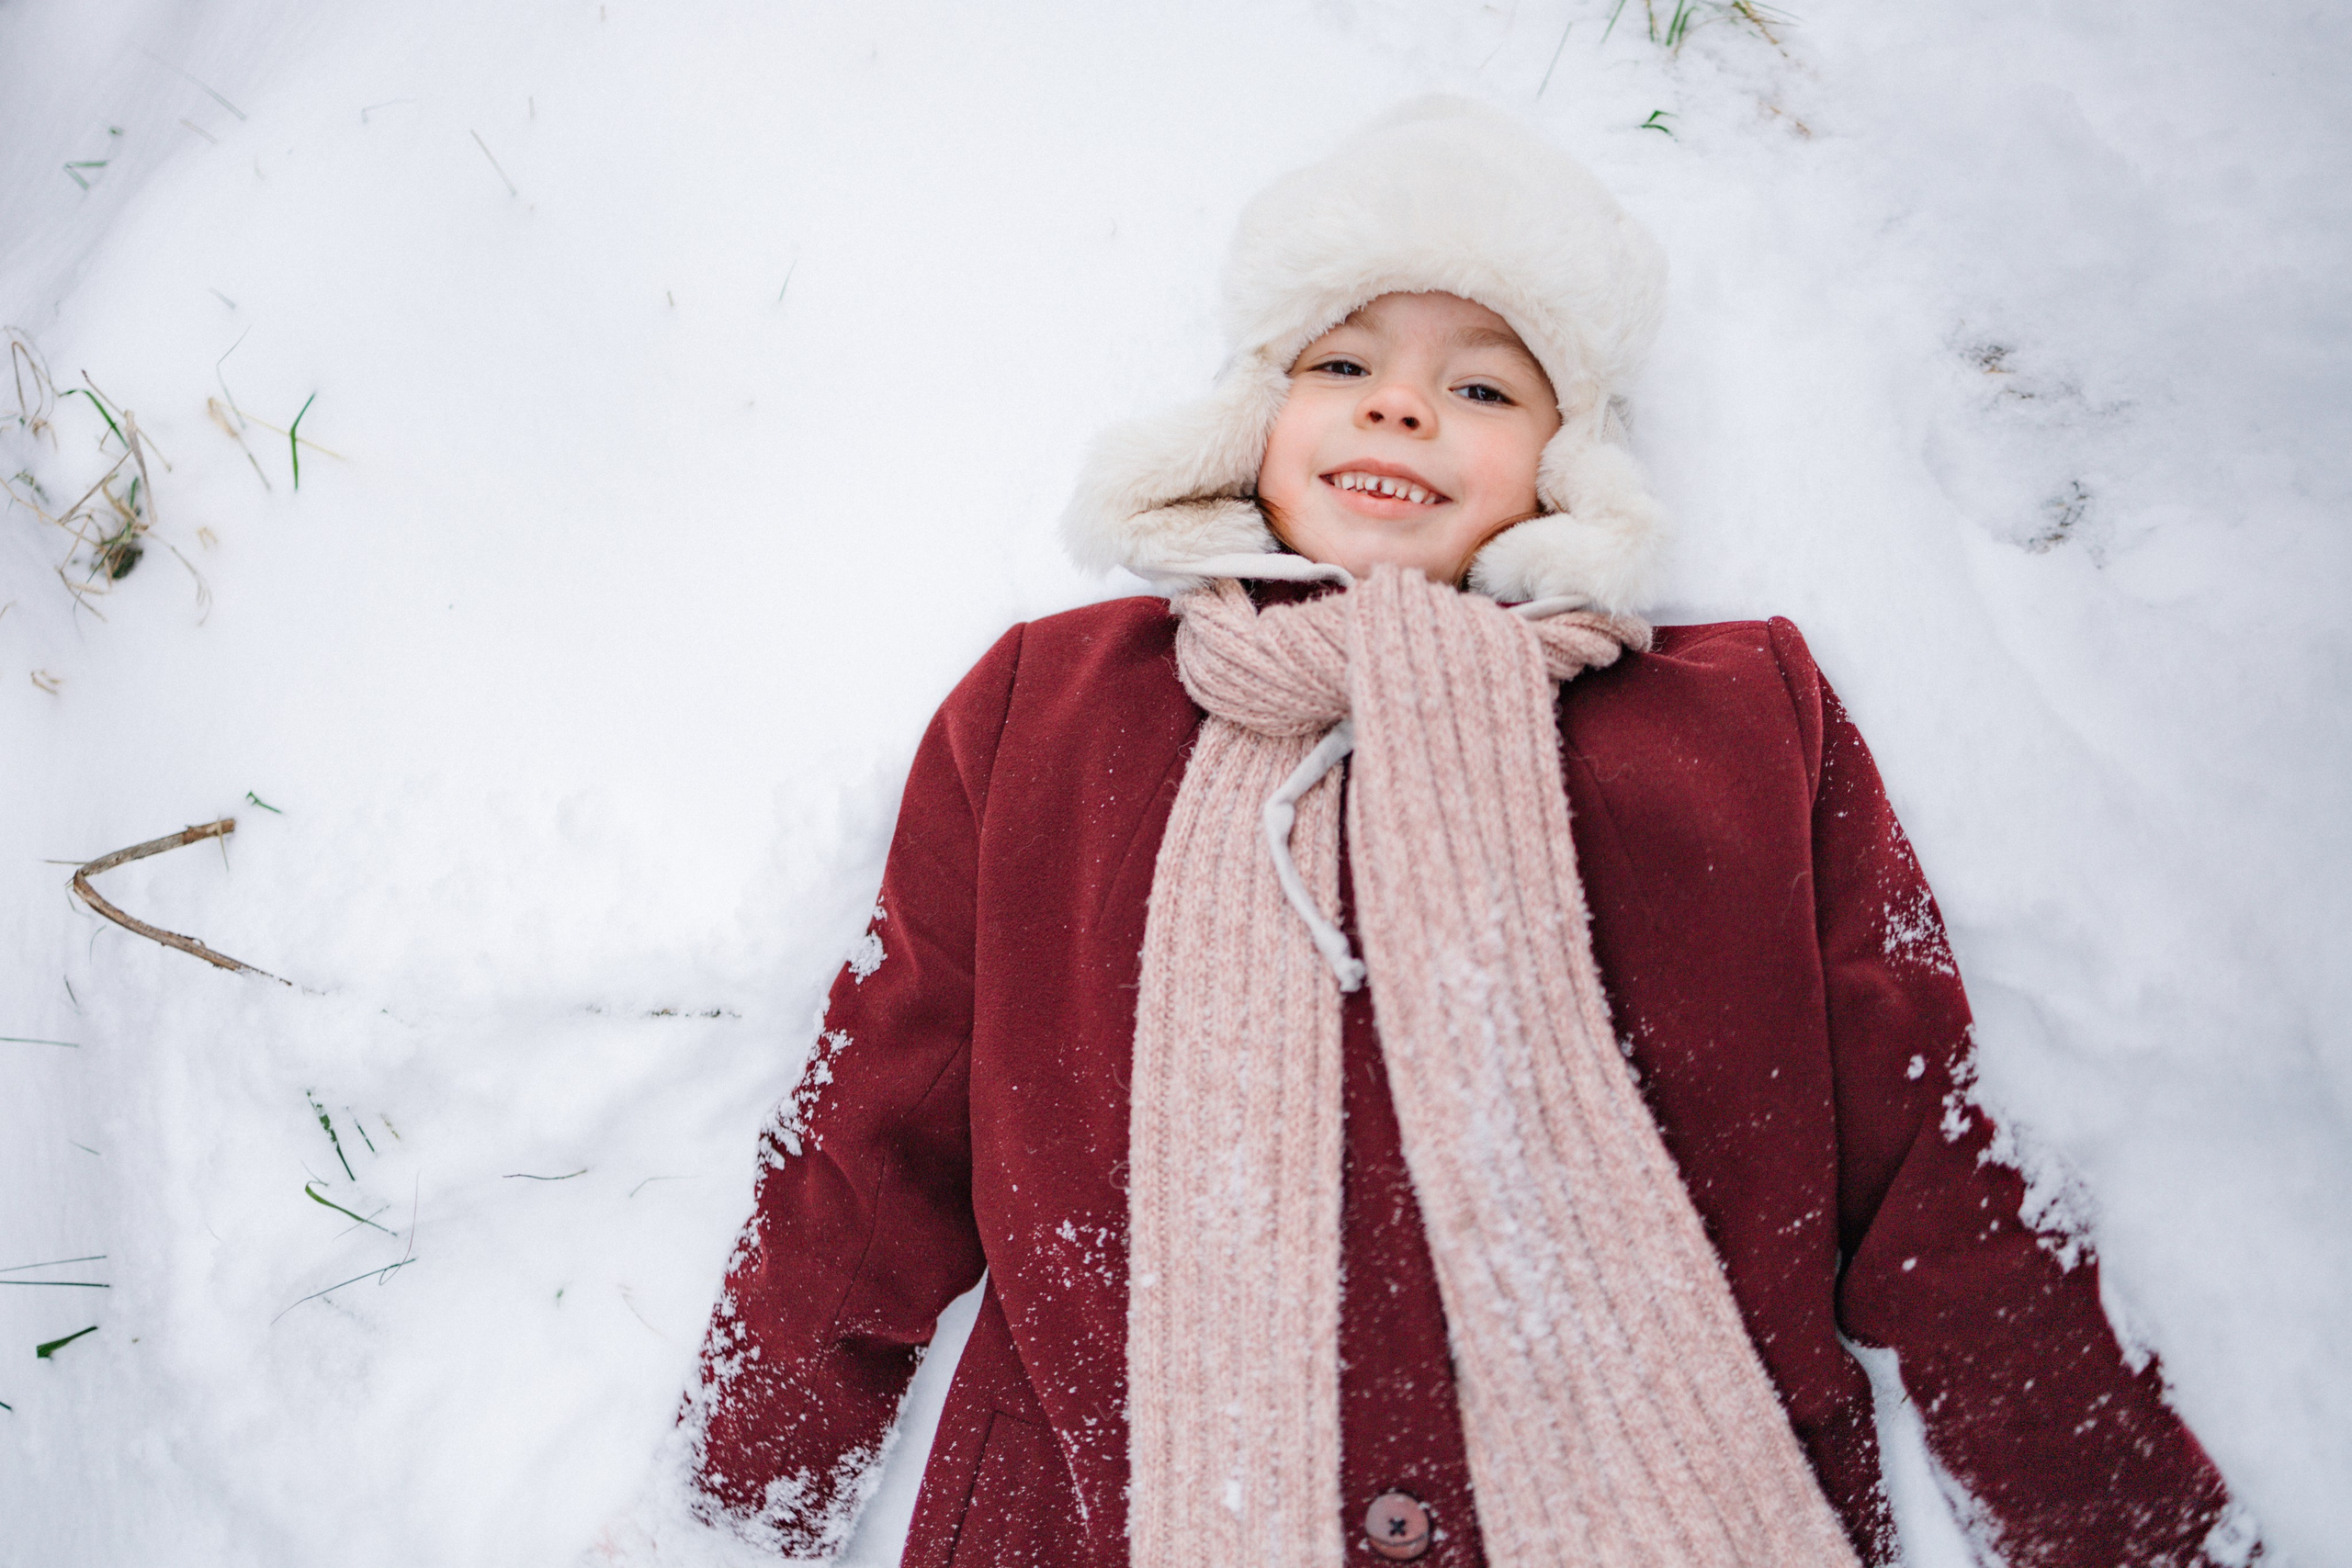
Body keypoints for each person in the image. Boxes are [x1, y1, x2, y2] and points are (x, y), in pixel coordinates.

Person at [662, 100, 2248, 1567]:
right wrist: (749, 1489)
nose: (1404, 403)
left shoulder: (1739, 727)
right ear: (1250, 421)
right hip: (1112, 1508)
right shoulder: (1052, 715)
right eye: (1344, 364)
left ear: (1566, 465)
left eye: (1483, 385)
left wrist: (2106, 1519)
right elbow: (874, 1126)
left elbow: (1929, 1147)